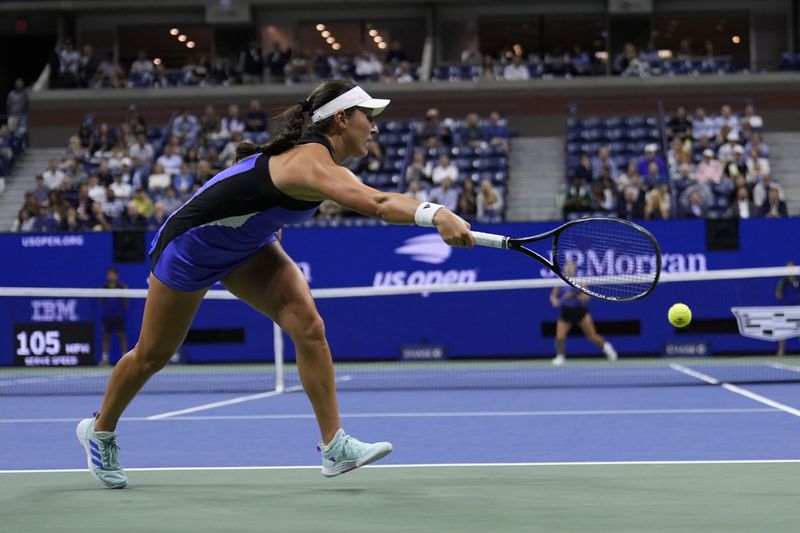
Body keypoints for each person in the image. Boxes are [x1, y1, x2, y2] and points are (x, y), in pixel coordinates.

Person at [75, 79, 474, 488]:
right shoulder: (312, 162)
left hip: (248, 244)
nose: (374, 127)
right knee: (152, 355)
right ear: (341, 119)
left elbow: (256, 196)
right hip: (190, 249)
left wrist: (267, 224)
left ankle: (335, 446)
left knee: (309, 326)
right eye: (367, 117)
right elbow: (378, 203)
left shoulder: (311, 160)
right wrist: (437, 213)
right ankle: (100, 430)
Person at [549, 262, 617, 366]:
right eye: (567, 266)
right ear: (564, 268)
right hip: (566, 312)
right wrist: (555, 301)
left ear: (575, 268)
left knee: (592, 336)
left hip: (580, 311)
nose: (569, 268)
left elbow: (586, 297)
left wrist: (575, 296)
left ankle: (607, 348)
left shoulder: (581, 281)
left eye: (571, 266)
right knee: (560, 337)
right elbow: (553, 296)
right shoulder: (560, 281)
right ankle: (560, 357)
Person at [99, 267, 129, 366]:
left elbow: (125, 301)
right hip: (107, 316)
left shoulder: (122, 286)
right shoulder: (104, 287)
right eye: (109, 274)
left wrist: (120, 310)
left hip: (118, 316)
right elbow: (102, 301)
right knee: (106, 337)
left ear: (116, 275)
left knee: (122, 336)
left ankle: (125, 358)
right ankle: (105, 359)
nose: (111, 276)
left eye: (113, 274)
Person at [775, 261, 800, 356]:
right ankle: (781, 351)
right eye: (788, 268)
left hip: (798, 309)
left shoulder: (799, 279)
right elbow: (777, 295)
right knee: (782, 331)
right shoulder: (783, 281)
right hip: (787, 309)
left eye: (792, 268)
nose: (790, 270)